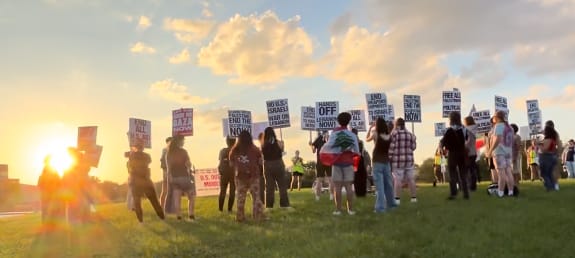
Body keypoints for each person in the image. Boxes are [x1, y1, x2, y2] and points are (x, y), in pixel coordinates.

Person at [320, 112, 360, 215]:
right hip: (348, 163)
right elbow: (356, 150)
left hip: (337, 162)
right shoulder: (352, 135)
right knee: (348, 187)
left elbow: (328, 146)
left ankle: (338, 210)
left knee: (337, 187)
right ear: (348, 122)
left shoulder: (334, 134)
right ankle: (350, 210)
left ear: (338, 121)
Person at [229, 130, 266, 222]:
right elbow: (261, 161)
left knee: (240, 199)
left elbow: (231, 163)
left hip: (240, 177)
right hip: (253, 176)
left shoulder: (234, 149)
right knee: (256, 197)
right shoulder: (255, 149)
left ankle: (240, 218)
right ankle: (258, 217)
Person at [127, 143, 165, 223]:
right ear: (143, 147)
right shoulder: (147, 156)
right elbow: (149, 161)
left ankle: (141, 221)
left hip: (135, 181)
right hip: (146, 180)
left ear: (135, 147)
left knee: (137, 202)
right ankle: (162, 217)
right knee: (154, 200)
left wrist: (132, 152)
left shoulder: (131, 155)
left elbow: (128, 161)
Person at [366, 117, 395, 213]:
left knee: (380, 186)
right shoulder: (389, 136)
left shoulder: (375, 134)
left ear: (377, 125)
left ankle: (380, 208)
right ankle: (392, 204)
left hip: (377, 162)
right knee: (389, 185)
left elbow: (367, 139)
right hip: (386, 162)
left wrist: (370, 128)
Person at [166, 135, 196, 221]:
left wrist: (170, 177)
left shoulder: (169, 152)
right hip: (184, 177)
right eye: (183, 141)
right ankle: (191, 215)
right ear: (179, 141)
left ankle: (179, 216)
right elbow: (188, 164)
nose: (184, 142)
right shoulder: (183, 152)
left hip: (174, 177)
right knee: (191, 195)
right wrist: (190, 168)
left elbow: (169, 167)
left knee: (177, 197)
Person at [442, 112, 470, 200]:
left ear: (451, 119)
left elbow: (444, 142)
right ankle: (466, 193)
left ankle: (453, 193)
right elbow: (466, 140)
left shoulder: (447, 130)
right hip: (462, 153)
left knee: (452, 174)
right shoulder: (464, 129)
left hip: (452, 153)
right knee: (463, 174)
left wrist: (443, 149)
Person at [389, 118, 417, 205]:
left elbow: (391, 148)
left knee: (397, 180)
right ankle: (414, 198)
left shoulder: (394, 134)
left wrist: (389, 158)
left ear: (396, 124)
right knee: (411, 179)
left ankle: (397, 199)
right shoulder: (410, 134)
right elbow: (413, 147)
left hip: (397, 161)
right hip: (409, 160)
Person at [262, 127, 291, 209]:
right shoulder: (279, 142)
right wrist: (283, 145)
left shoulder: (263, 143)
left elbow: (262, 154)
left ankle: (269, 206)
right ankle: (285, 205)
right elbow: (282, 151)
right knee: (282, 186)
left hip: (268, 165)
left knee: (269, 187)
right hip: (278, 163)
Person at [486, 111, 514, 197]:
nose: (493, 118)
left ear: (497, 117)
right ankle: (510, 191)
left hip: (499, 152)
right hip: (508, 152)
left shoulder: (498, 126)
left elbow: (497, 139)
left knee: (501, 173)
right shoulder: (510, 127)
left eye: (494, 117)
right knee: (508, 172)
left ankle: (500, 192)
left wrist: (490, 151)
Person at [37, 155, 63, 224]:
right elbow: (59, 182)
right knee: (49, 211)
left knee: (47, 211)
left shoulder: (46, 172)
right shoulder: (51, 171)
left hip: (48, 195)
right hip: (49, 195)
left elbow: (39, 185)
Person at [311, 131, 334, 201]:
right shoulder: (331, 138)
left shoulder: (319, 138)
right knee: (330, 179)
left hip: (321, 161)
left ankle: (317, 197)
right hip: (329, 161)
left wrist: (310, 145)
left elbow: (313, 151)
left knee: (319, 180)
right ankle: (331, 196)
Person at [539, 121, 560, 191]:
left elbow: (544, 149)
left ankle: (551, 187)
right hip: (552, 155)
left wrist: (539, 144)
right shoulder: (553, 136)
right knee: (550, 173)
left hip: (547, 156)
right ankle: (553, 186)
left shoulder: (549, 138)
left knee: (546, 173)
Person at [218, 136, 236, 213]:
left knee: (222, 191)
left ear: (226, 142)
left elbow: (220, 162)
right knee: (232, 191)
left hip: (224, 172)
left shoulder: (222, 151)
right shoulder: (236, 150)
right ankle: (229, 209)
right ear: (235, 141)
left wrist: (220, 170)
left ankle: (220, 209)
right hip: (233, 173)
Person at [351, 128, 371, 197]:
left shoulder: (351, 141)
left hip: (354, 160)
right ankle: (362, 192)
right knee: (362, 176)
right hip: (360, 159)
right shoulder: (360, 142)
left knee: (356, 177)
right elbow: (362, 152)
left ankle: (358, 192)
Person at [464, 116, 478, 191]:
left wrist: (463, 146)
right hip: (474, 152)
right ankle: (473, 186)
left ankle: (470, 186)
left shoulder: (467, 130)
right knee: (472, 169)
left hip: (467, 152)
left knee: (467, 170)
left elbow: (468, 141)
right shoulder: (475, 129)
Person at [159, 137, 172, 212]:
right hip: (166, 173)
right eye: (170, 141)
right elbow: (162, 162)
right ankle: (161, 208)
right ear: (167, 142)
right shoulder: (164, 150)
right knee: (164, 191)